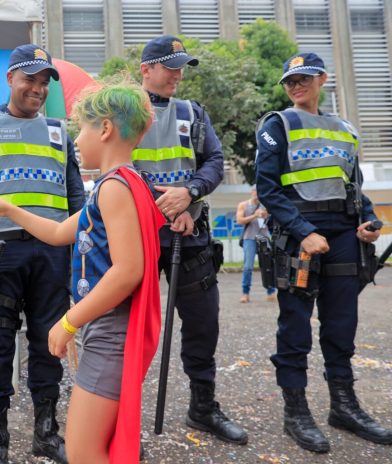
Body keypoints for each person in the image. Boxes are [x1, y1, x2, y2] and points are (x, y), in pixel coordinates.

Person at [0, 80, 163, 464]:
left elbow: (128, 271)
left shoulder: (114, 188)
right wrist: (11, 210)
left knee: (84, 452)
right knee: (99, 446)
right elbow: (61, 232)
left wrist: (68, 322)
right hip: (107, 327)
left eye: (81, 127)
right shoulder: (116, 185)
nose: (76, 139)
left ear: (105, 129)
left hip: (110, 329)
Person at [0, 44, 85, 464]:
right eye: (30, 79)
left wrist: (81, 248)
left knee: (50, 345)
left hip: (52, 254)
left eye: (44, 83)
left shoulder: (62, 132)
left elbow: (76, 196)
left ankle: (46, 432)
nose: (38, 89)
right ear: (10, 79)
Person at [255, 52, 392, 453]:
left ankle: (343, 408)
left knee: (341, 325)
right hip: (299, 236)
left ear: (322, 79)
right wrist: (303, 231)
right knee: (295, 327)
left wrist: (367, 222)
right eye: (289, 81)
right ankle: (295, 411)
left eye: (303, 79)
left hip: (343, 236)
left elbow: (354, 187)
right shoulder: (276, 125)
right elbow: (268, 189)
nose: (296, 86)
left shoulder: (345, 129)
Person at [134, 35, 248, 444]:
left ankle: (202, 409)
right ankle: (121, 420)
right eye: (171, 66)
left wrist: (191, 194)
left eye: (182, 67)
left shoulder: (193, 113)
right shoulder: (125, 109)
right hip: (138, 236)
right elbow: (112, 166)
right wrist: (164, 206)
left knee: (203, 324)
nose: (178, 75)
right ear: (147, 69)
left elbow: (215, 161)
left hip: (191, 235)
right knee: (128, 330)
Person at [236, 185, 276, 303]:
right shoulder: (243, 205)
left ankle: (271, 292)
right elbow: (239, 220)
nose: (257, 194)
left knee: (268, 265)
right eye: (255, 191)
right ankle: (245, 293)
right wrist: (255, 215)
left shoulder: (266, 206)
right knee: (248, 266)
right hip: (250, 238)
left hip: (264, 237)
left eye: (260, 192)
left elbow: (274, 219)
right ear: (251, 192)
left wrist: (267, 215)